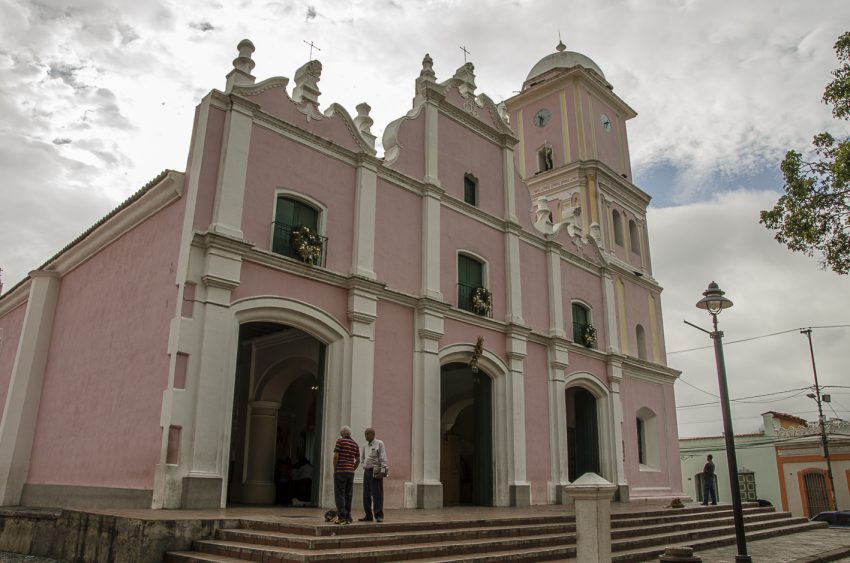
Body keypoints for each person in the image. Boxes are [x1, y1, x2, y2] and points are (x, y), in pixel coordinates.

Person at [359, 427, 389, 522]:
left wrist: (382, 471)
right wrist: (364, 465)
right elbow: (362, 458)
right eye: (365, 434)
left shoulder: (379, 443)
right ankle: (368, 515)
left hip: (376, 471)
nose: (366, 436)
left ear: (373, 434)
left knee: (377, 494)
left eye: (368, 434)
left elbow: (383, 457)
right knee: (366, 495)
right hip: (367, 471)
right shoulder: (365, 446)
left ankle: (379, 515)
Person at [332, 425, 359, 524]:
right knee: (348, 494)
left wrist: (335, 469)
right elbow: (358, 460)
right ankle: (348, 516)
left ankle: (342, 516)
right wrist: (352, 468)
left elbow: (336, 455)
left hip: (341, 471)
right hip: (350, 473)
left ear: (342, 434)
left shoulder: (340, 441)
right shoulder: (355, 444)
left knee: (340, 494)